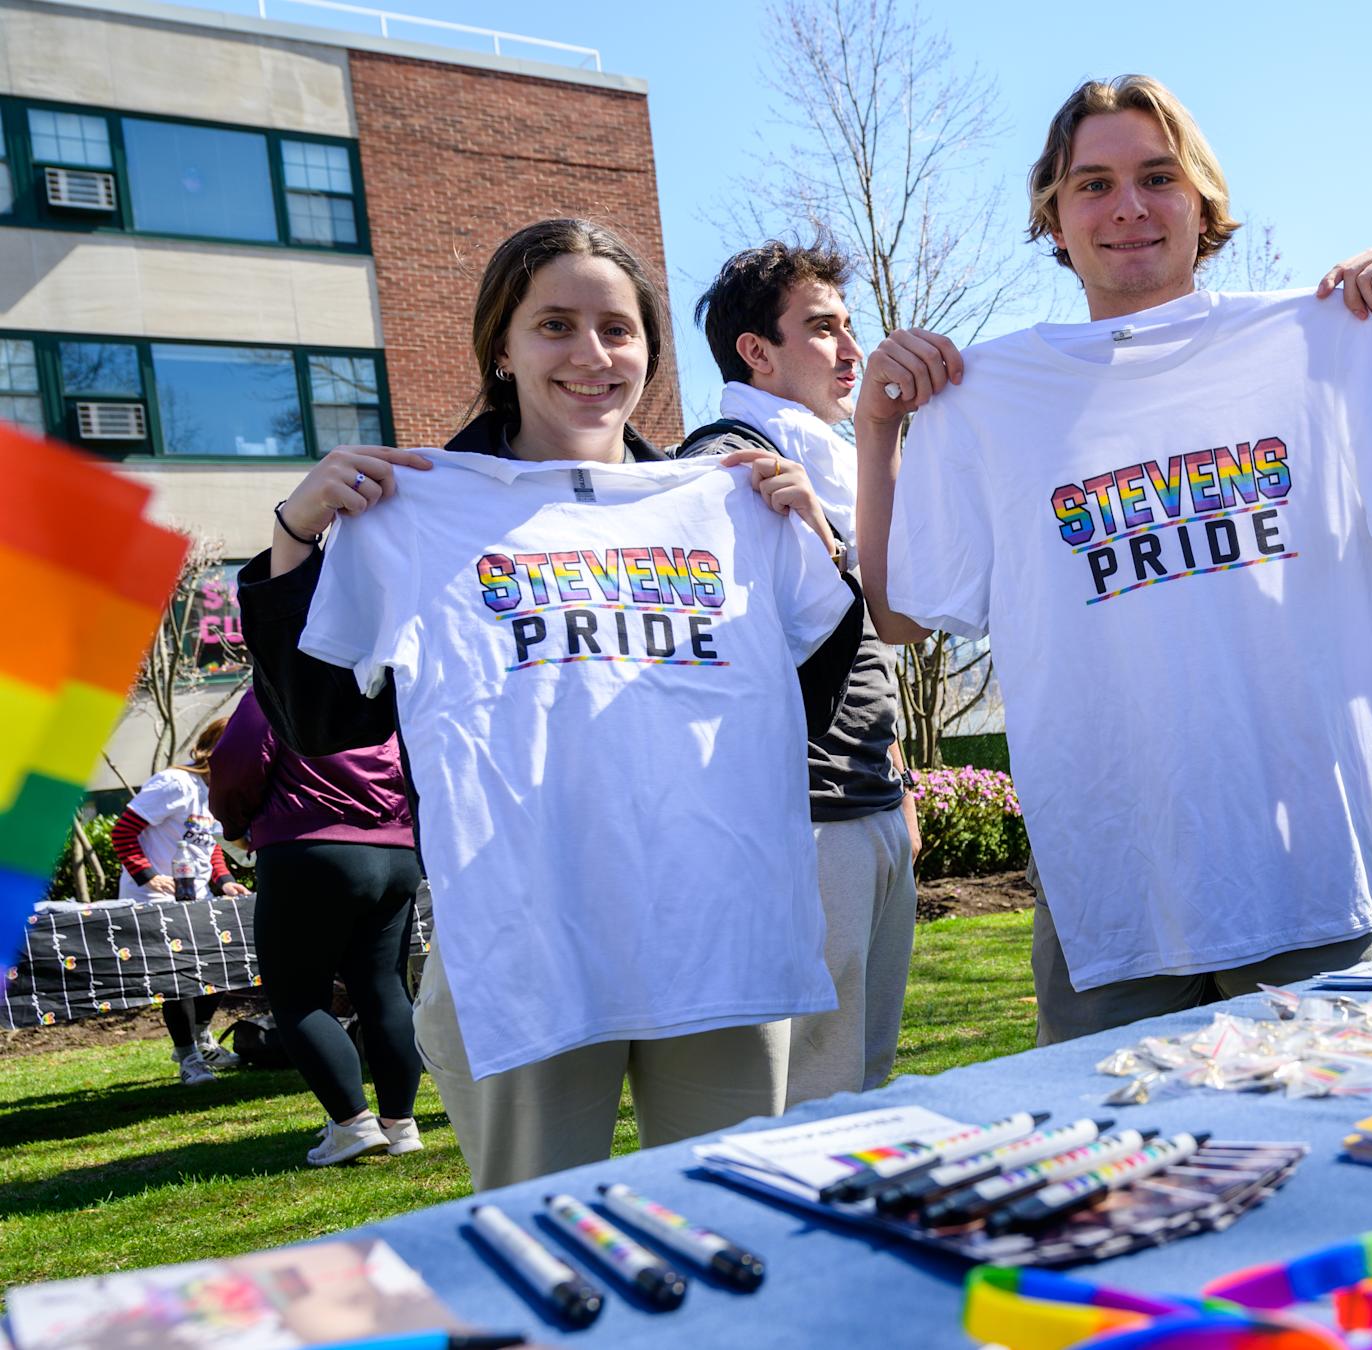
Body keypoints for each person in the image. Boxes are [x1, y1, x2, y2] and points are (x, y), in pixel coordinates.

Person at [236, 218, 864, 1188]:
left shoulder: (727, 505)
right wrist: (292, 541)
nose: (592, 354)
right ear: (502, 345)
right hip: (525, 950)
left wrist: (817, 548)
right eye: (556, 325)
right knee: (540, 1259)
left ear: (651, 351)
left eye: (618, 329)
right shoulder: (422, 511)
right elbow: (322, 727)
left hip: (715, 939)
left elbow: (795, 716)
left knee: (732, 1232)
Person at [852, 75, 1372, 1044]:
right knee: (1126, 1181)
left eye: (1157, 175)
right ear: (1053, 217)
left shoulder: (1314, 346)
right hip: (1112, 899)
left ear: (1203, 202)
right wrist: (874, 434)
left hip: (1300, 869)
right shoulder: (990, 401)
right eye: (1093, 183)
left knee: (1337, 1155)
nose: (1129, 206)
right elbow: (895, 619)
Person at [684, 240, 921, 1102]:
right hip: (805, 822)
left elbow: (872, 634)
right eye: (823, 329)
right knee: (813, 1093)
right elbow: (732, 662)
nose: (852, 351)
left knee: (865, 1074)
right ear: (756, 351)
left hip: (869, 806)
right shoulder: (726, 464)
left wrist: (897, 784)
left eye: (850, 327)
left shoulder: (828, 458)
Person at [210, 688, 422, 1166]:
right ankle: (400, 1124)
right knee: (385, 989)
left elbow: (236, 763)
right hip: (395, 850)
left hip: (310, 848)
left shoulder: (278, 683)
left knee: (297, 996)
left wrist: (234, 824)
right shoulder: (384, 685)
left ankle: (352, 1124)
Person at [110, 716, 250, 1084]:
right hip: (155, 900)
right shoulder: (174, 783)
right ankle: (189, 1058)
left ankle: (201, 1038)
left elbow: (209, 848)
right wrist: (149, 876)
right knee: (178, 980)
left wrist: (226, 882)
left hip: (199, 899)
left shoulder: (216, 790)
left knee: (222, 967)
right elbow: (123, 831)